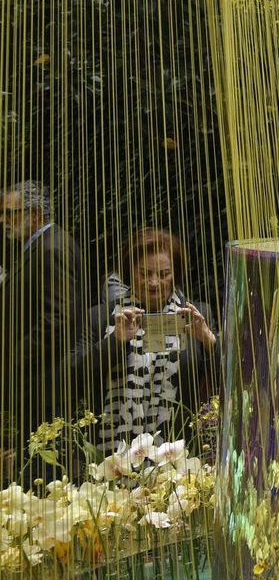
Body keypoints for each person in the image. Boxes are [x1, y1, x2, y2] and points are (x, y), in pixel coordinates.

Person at [76, 228, 218, 455]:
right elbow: (74, 377)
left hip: (180, 455)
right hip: (113, 458)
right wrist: (114, 342)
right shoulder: (100, 317)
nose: (154, 283)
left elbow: (230, 378)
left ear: (176, 274)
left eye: (164, 274)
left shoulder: (198, 314)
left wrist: (208, 339)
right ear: (130, 272)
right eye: (144, 273)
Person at [1, 181, 90, 461]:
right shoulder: (39, 247)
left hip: (46, 381)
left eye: (10, 213)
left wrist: (13, 361)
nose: (3, 220)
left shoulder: (52, 249)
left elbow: (58, 318)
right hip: (39, 380)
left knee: (42, 472)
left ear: (36, 214)